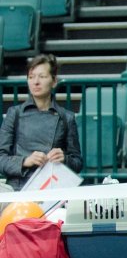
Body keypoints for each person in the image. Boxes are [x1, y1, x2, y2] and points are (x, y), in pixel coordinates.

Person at [0, 54, 82, 190]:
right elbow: (1, 159)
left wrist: (65, 159)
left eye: (42, 77)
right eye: (31, 77)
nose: (35, 82)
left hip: (52, 188)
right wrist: (25, 161)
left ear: (54, 81)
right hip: (19, 188)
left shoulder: (66, 117)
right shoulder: (14, 114)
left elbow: (78, 162)